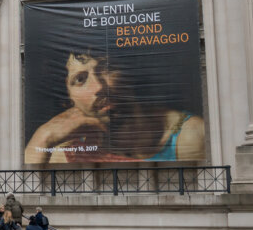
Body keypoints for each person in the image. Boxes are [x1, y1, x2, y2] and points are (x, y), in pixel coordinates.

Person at [24, 51, 204, 164]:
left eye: (107, 68)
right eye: (80, 79)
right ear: (69, 101)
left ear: (128, 73)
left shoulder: (190, 135)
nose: (100, 87)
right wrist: (42, 139)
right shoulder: (63, 153)